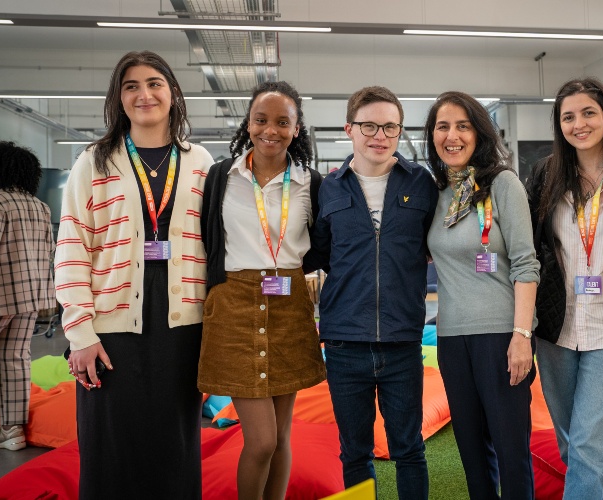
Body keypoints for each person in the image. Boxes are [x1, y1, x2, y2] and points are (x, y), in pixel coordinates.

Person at [54, 51, 214, 498]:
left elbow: (217, 245)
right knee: (111, 450)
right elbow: (72, 248)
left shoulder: (199, 161)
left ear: (173, 93)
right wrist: (79, 332)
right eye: (131, 86)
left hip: (182, 326)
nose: (144, 94)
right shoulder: (95, 161)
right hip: (111, 329)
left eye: (155, 83)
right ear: (118, 99)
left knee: (174, 448)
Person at [198, 81, 326, 500]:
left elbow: (322, 246)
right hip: (233, 307)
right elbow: (203, 242)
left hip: (289, 306)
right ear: (248, 123)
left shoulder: (311, 183)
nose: (270, 130)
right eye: (261, 119)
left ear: (297, 128)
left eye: (282, 122)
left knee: (283, 435)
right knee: (263, 440)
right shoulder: (222, 177)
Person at [311, 86, 437, 498]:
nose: (379, 135)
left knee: (409, 449)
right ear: (350, 128)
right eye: (369, 125)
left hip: (402, 342)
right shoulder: (329, 188)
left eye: (390, 127)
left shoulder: (421, 184)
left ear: (400, 132)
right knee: (355, 453)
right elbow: (321, 253)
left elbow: (432, 247)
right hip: (345, 344)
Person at [525, 78, 603, 500]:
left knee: (588, 447)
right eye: (568, 116)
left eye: (588, 113)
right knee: (571, 445)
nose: (579, 124)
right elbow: (529, 245)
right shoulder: (546, 174)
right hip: (556, 325)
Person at [424, 91, 539, 499]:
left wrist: (521, 336)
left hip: (500, 337)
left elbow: (527, 264)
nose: (451, 136)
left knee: (511, 455)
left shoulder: (504, 184)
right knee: (472, 456)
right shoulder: (436, 194)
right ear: (432, 135)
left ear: (479, 132)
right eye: (442, 126)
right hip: (452, 341)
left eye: (462, 125)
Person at [0, 141, 54, 453]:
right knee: (16, 359)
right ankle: (11, 429)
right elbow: (49, 253)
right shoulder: (40, 207)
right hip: (29, 298)